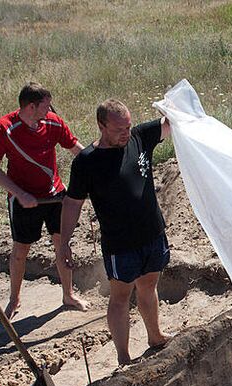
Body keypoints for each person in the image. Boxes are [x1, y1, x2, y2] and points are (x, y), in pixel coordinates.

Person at [60, 99, 172, 365]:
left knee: (148, 286)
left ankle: (155, 336)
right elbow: (72, 203)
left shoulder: (140, 137)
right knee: (121, 297)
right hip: (120, 244)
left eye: (128, 126)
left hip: (152, 233)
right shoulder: (87, 162)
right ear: (101, 126)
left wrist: (174, 104)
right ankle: (123, 356)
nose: (125, 132)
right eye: (119, 128)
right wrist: (64, 242)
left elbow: (172, 124)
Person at [0, 82, 89, 319]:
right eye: (46, 106)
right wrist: (19, 194)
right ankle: (14, 299)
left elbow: (76, 149)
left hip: (54, 195)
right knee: (21, 250)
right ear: (31, 107)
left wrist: (96, 167)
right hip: (23, 200)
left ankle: (68, 295)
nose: (50, 110)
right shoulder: (3, 129)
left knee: (62, 243)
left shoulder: (52, 122)